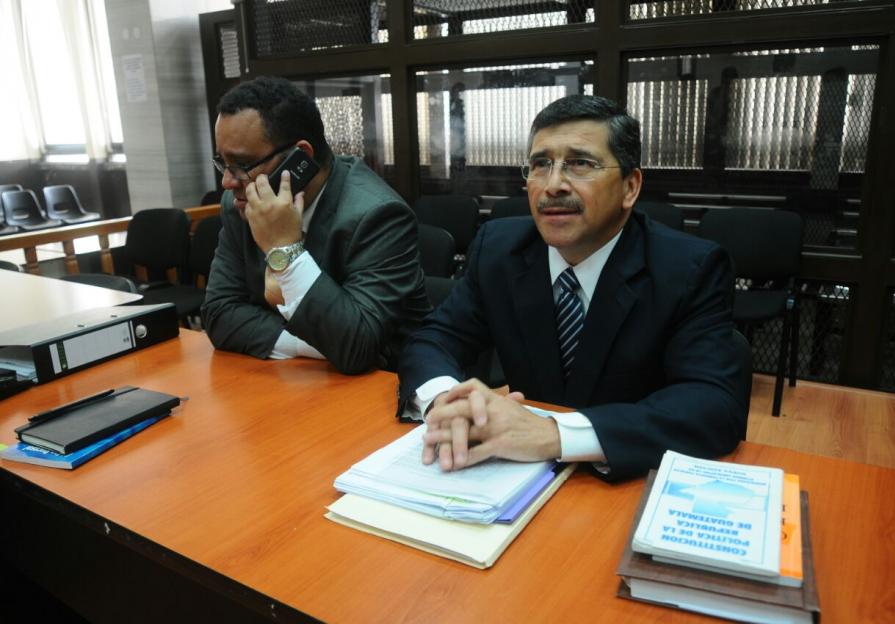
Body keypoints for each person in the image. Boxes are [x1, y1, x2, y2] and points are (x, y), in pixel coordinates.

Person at [396, 94, 748, 481]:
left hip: (619, 481)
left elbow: (712, 405)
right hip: (511, 476)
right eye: (540, 164)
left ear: (630, 187)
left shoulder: (689, 268)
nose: (553, 185)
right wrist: (448, 403)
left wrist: (553, 434)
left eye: (580, 163)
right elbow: (433, 339)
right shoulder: (499, 249)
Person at [203, 76, 430, 374]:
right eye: (222, 162)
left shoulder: (378, 215)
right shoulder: (240, 205)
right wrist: (315, 346)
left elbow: (356, 347)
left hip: (384, 390)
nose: (227, 181)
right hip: (292, 382)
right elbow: (219, 314)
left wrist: (286, 254)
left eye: (242, 165)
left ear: (301, 158)